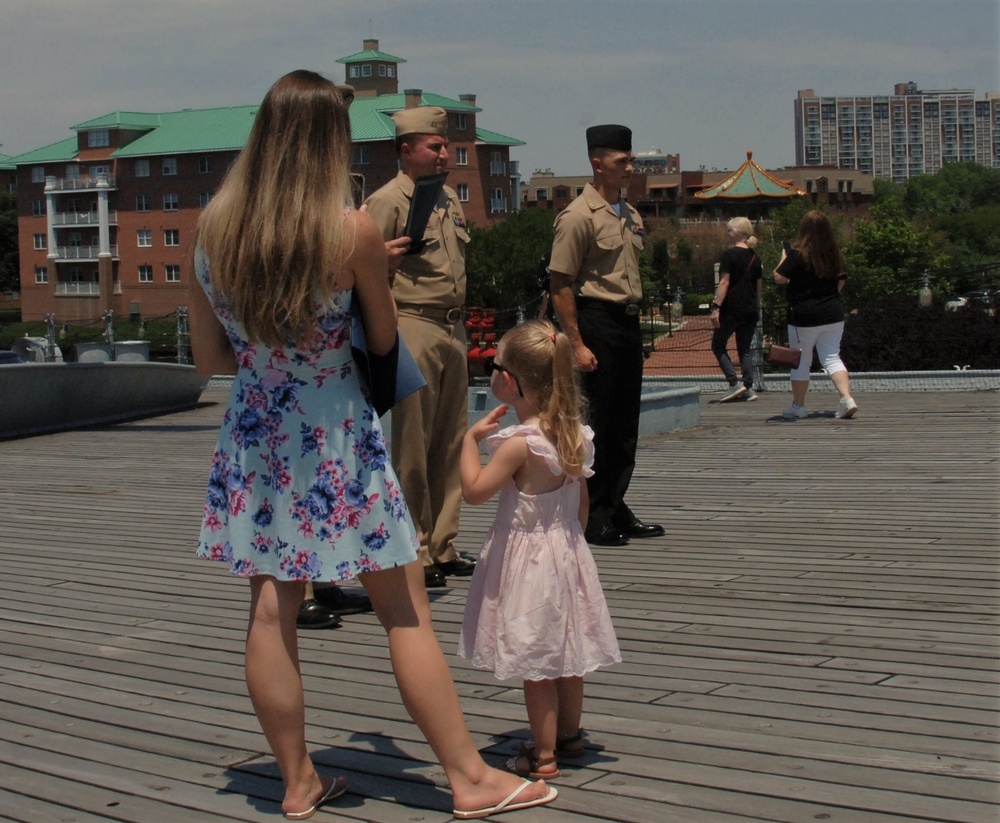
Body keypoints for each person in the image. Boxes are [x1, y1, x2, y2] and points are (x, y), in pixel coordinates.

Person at [189, 70, 556, 821]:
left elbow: (208, 360)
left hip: (256, 437)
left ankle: (297, 784)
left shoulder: (211, 230)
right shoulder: (348, 228)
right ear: (326, 142)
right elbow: (384, 340)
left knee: (270, 609)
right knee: (405, 607)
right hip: (335, 436)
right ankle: (469, 778)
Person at [458, 319, 621, 780]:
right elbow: (583, 503)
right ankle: (569, 734)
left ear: (509, 380)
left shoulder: (518, 443)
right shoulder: (574, 434)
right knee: (568, 652)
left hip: (528, 564)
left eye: (494, 365)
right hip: (566, 553)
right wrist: (569, 544)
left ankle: (543, 755)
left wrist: (469, 441)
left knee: (537, 661)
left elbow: (473, 491)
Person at [364, 106, 476, 588]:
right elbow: (368, 273)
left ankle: (442, 544)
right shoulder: (386, 201)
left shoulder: (448, 197)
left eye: (446, 146)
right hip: (412, 323)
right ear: (406, 150)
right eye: (435, 146)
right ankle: (413, 549)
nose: (444, 153)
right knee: (412, 445)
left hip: (453, 328)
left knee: (451, 440)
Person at [547, 124, 664, 547]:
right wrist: (576, 342)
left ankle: (615, 502)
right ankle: (592, 511)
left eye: (631, 160)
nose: (630, 167)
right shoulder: (578, 216)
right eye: (622, 161)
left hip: (628, 323)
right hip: (596, 321)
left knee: (624, 423)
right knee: (596, 423)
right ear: (598, 163)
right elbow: (560, 283)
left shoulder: (629, 213)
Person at [773, 210, 858, 420]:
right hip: (833, 313)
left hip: (803, 316)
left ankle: (798, 406)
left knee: (801, 361)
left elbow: (779, 278)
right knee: (831, 357)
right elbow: (841, 281)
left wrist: (783, 258)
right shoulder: (834, 254)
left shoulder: (797, 254)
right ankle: (847, 398)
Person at [710, 217, 763, 402]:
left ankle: (734, 383)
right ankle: (748, 387)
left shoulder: (729, 255)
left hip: (731, 309)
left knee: (717, 344)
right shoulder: (755, 257)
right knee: (745, 349)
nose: (727, 233)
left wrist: (716, 307)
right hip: (750, 309)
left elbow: (724, 282)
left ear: (738, 232)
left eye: (729, 230)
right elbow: (758, 288)